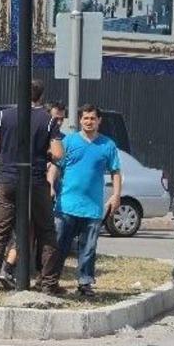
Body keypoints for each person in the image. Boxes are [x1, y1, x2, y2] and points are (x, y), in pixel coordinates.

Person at [0, 80, 65, 297]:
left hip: (6, 179)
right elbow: (58, 154)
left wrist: (5, 154)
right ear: (41, 96)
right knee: (45, 231)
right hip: (34, 181)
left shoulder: (3, 116)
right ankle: (48, 283)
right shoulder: (48, 120)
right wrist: (43, 154)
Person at [49, 104, 121, 297]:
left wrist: (116, 195)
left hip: (93, 207)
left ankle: (85, 283)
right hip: (66, 205)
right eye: (85, 118)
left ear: (99, 121)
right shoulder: (69, 142)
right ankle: (51, 281)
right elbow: (56, 166)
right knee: (59, 245)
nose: (89, 122)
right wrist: (50, 184)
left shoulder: (108, 145)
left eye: (92, 118)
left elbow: (115, 172)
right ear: (80, 120)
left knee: (88, 249)